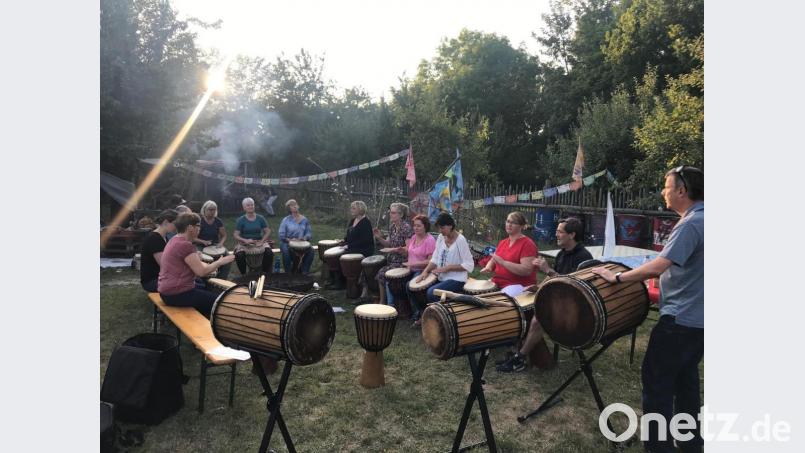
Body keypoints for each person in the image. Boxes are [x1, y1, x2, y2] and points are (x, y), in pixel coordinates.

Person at [591, 166, 703, 453]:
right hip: (701, 322)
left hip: (679, 322)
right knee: (686, 383)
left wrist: (618, 277)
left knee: (658, 386)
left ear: (682, 190)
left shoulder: (691, 223)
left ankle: (659, 447)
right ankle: (691, 444)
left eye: (667, 186)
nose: (663, 192)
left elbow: (660, 264)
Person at [496, 217, 592, 373]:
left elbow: (572, 288)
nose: (556, 235)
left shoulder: (583, 257)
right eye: (557, 231)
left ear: (572, 235)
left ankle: (520, 358)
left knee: (537, 319)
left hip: (573, 308)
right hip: (557, 299)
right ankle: (519, 351)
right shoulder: (562, 254)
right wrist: (538, 287)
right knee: (520, 308)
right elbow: (554, 278)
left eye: (560, 232)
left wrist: (547, 270)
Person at [158, 213, 236, 317]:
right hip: (176, 293)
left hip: (167, 291)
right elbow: (201, 272)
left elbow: (184, 262)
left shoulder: (175, 239)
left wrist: (197, 257)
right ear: (190, 227)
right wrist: (220, 262)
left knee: (205, 291)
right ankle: (210, 327)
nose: (200, 229)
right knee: (219, 303)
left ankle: (205, 318)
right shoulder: (185, 245)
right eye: (198, 226)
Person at [415, 212, 474, 303]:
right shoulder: (441, 237)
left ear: (450, 226)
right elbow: (435, 258)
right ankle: (423, 313)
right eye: (438, 228)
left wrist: (449, 267)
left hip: (457, 280)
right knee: (416, 288)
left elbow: (469, 265)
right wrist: (425, 271)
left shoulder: (461, 240)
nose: (440, 230)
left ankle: (442, 314)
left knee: (431, 293)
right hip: (441, 277)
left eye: (442, 228)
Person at [479, 211, 538, 289]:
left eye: (514, 223)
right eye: (508, 221)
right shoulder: (503, 242)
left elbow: (526, 270)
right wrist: (489, 266)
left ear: (522, 226)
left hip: (517, 287)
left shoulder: (527, 244)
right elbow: (495, 258)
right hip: (498, 283)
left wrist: (503, 263)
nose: (509, 225)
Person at [373, 202, 414, 306]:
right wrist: (379, 237)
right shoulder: (392, 227)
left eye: (393, 213)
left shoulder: (406, 228)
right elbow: (388, 243)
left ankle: (385, 303)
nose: (391, 215)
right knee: (381, 272)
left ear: (401, 215)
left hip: (403, 261)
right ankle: (385, 301)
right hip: (392, 260)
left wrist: (393, 250)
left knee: (382, 273)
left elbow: (408, 248)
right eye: (390, 212)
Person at [329, 200, 374, 290]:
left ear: (360, 210)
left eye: (353, 208)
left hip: (364, 249)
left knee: (340, 256)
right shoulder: (353, 220)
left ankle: (340, 283)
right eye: (351, 208)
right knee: (334, 254)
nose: (351, 210)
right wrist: (344, 240)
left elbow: (364, 241)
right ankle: (334, 280)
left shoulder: (366, 222)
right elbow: (349, 235)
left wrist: (349, 246)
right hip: (354, 246)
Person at [400, 214, 436, 326]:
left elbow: (431, 261)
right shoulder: (414, 237)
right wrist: (402, 251)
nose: (415, 228)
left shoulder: (430, 240)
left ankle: (420, 312)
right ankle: (407, 310)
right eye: (414, 226)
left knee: (409, 286)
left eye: (418, 226)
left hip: (423, 270)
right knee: (399, 283)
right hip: (410, 269)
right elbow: (410, 252)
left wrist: (414, 263)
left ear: (425, 226)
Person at [233, 197, 275, 275]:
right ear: (244, 207)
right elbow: (235, 235)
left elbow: (268, 231)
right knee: (239, 255)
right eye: (248, 205)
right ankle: (243, 275)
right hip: (245, 243)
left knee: (269, 253)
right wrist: (245, 240)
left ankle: (264, 273)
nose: (250, 207)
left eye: (252, 205)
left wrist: (262, 241)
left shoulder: (260, 218)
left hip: (258, 241)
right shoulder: (241, 220)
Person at [140, 209, 178, 292]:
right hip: (152, 281)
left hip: (162, 277)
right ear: (166, 222)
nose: (177, 227)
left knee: (196, 282)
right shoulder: (154, 238)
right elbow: (165, 265)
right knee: (191, 284)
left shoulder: (164, 237)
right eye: (175, 224)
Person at [194, 200, 231, 279]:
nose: (212, 211)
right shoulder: (199, 221)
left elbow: (224, 235)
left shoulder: (218, 221)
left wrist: (221, 243)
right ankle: (203, 278)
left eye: (214, 209)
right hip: (200, 245)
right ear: (204, 210)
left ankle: (221, 279)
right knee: (202, 258)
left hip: (215, 245)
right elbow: (193, 238)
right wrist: (203, 241)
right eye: (210, 209)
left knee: (227, 257)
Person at [278, 199, 314, 273]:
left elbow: (309, 233)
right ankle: (288, 273)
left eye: (295, 204)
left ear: (298, 206)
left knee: (311, 251)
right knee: (286, 251)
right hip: (286, 242)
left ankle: (304, 272)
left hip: (301, 242)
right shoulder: (286, 220)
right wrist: (290, 240)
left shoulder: (304, 220)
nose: (294, 206)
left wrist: (304, 238)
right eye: (292, 205)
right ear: (289, 208)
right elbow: (281, 235)